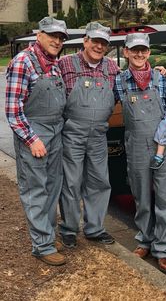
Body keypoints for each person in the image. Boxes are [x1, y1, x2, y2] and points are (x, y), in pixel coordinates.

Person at [113, 33, 166, 273]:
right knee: (142, 198)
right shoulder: (119, 81)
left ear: (148, 52)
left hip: (165, 147)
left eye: (143, 50)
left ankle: (163, 250)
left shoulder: (162, 79)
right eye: (134, 49)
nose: (139, 54)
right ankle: (145, 240)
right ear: (126, 51)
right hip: (136, 145)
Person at [5, 17, 68, 266]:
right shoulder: (23, 62)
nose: (57, 41)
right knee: (35, 190)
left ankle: (48, 235)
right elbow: (13, 110)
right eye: (52, 35)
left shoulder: (53, 64)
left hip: (56, 134)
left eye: (61, 38)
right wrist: (32, 140)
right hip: (34, 135)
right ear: (39, 34)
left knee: (52, 187)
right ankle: (42, 245)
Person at [58, 22, 120, 248]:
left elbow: (130, 85)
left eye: (103, 43)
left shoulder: (112, 69)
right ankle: (69, 229)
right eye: (95, 41)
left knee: (99, 182)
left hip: (98, 136)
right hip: (72, 133)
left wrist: (156, 70)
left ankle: (94, 228)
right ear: (85, 40)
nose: (99, 46)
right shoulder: (65, 63)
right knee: (71, 182)